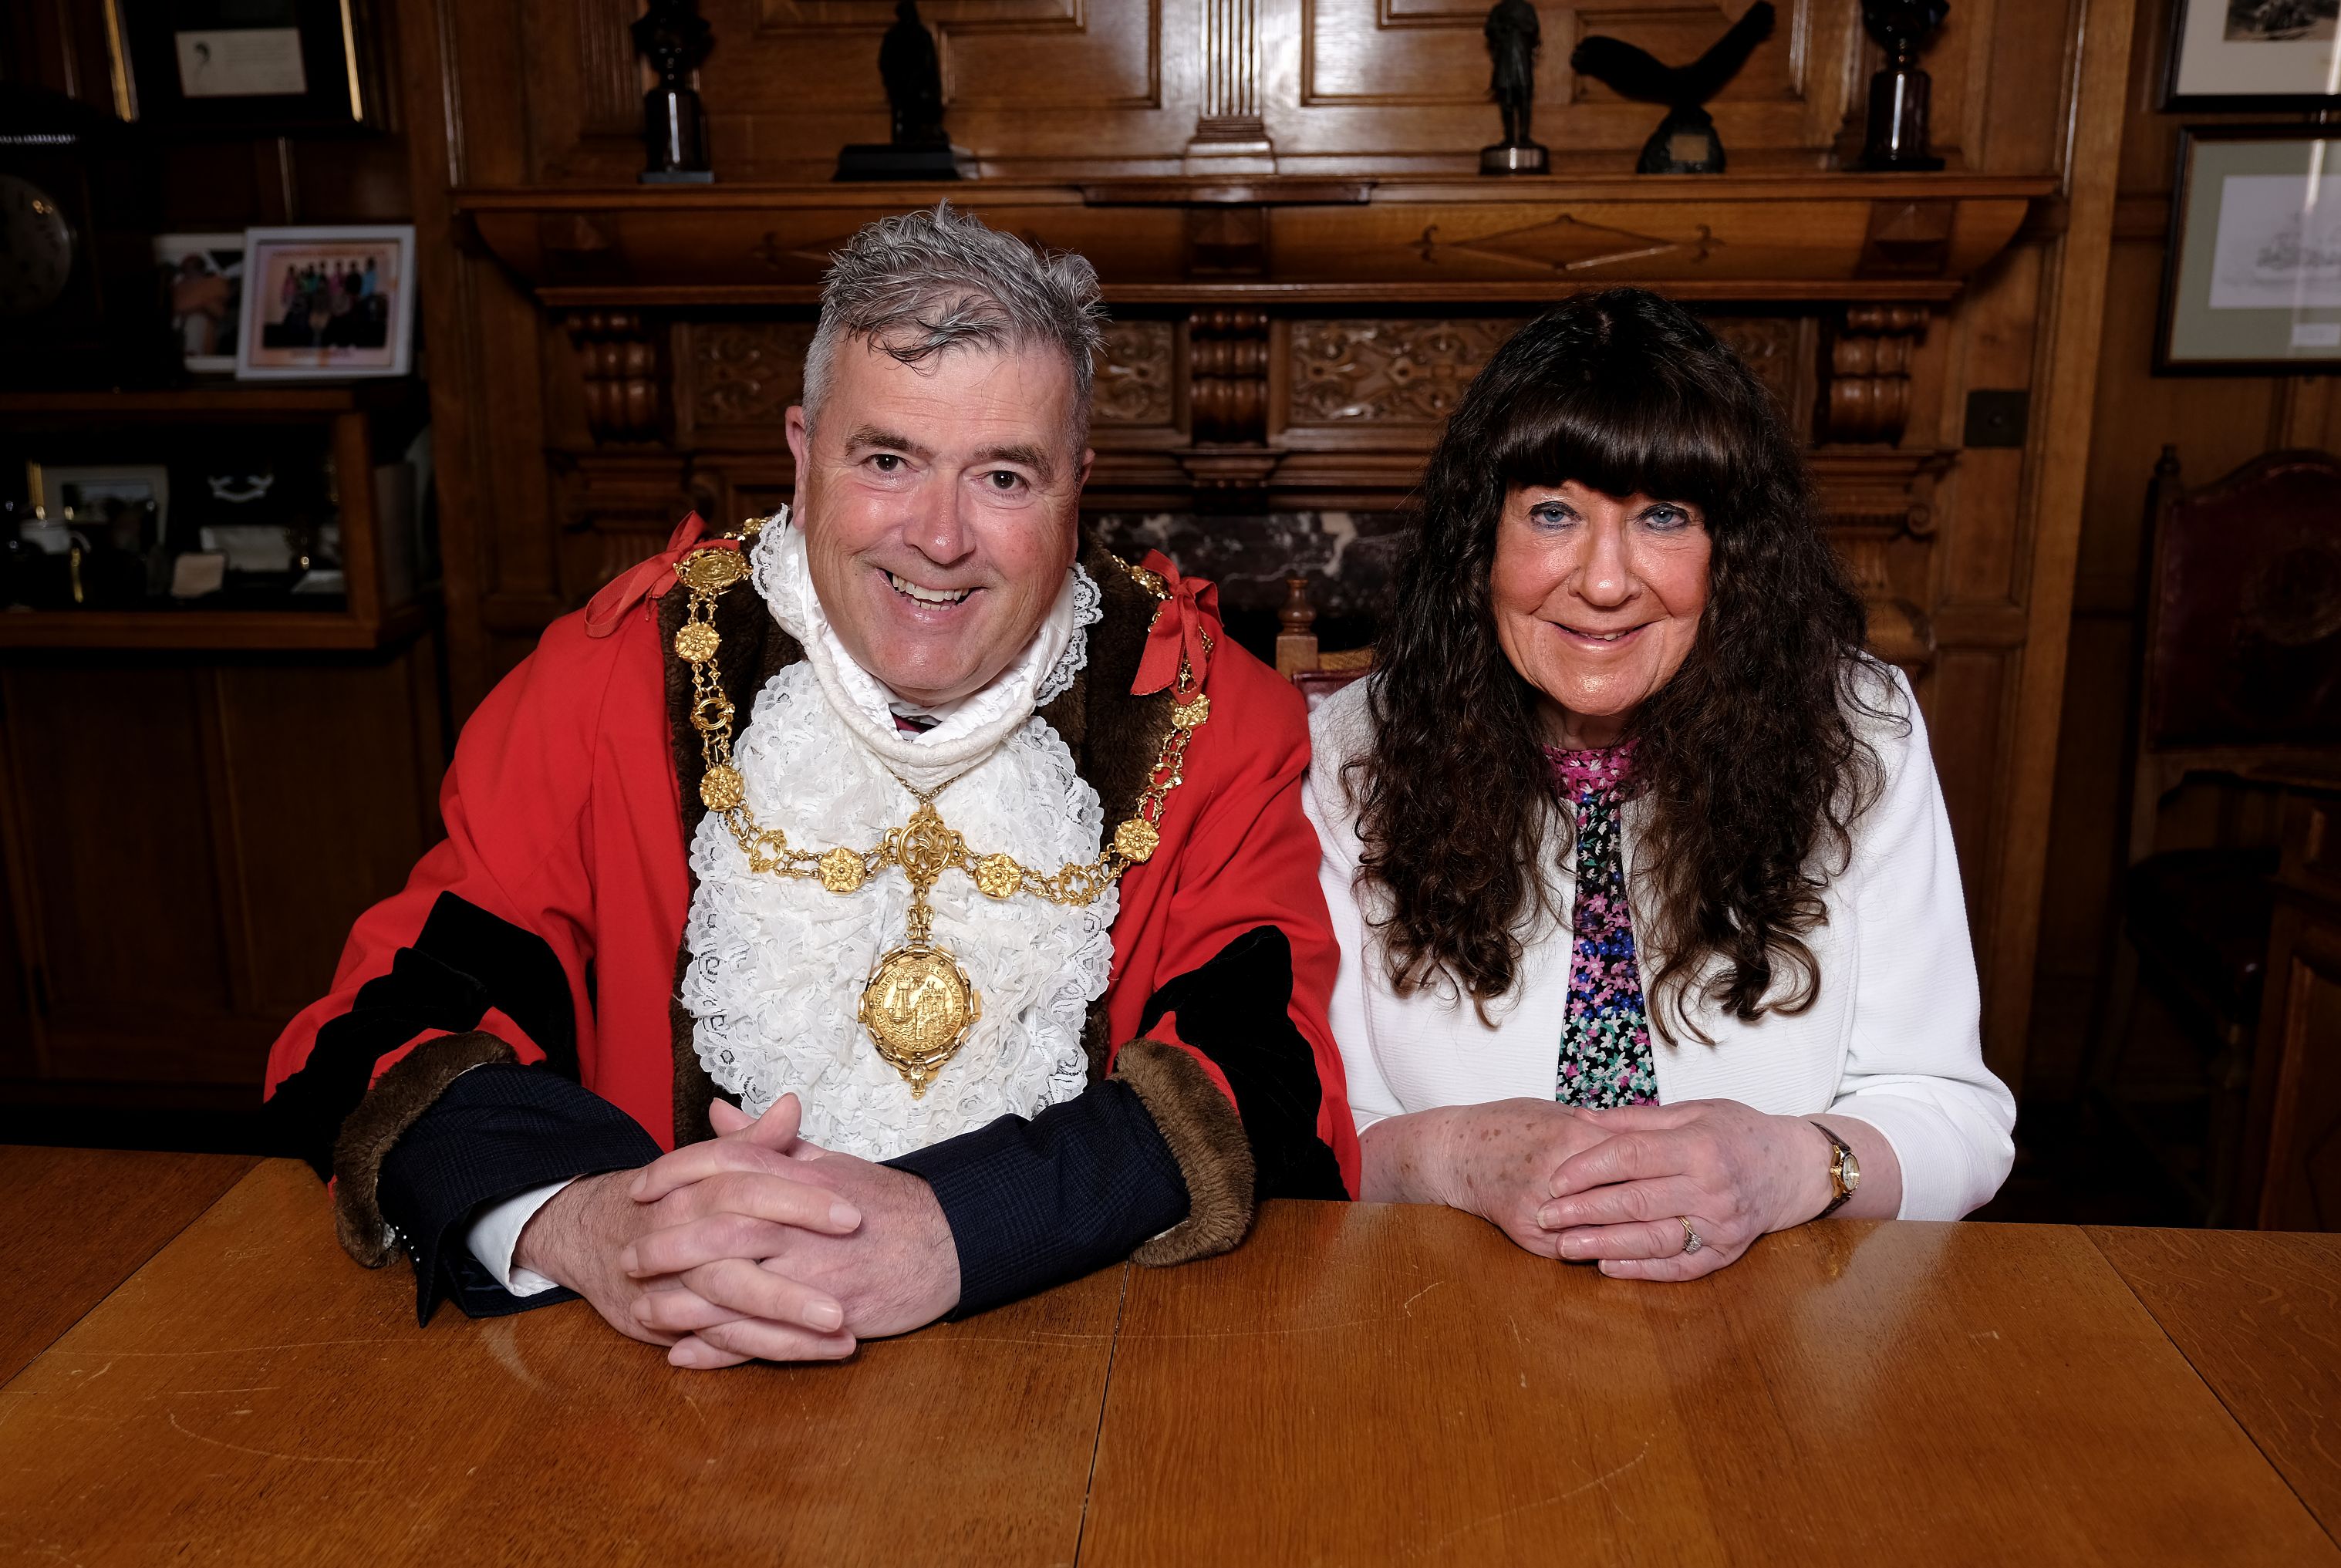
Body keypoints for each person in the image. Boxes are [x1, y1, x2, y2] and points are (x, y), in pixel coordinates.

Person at [265, 204, 1355, 1367]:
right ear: (800, 451)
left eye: (1002, 475)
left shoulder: (1205, 711)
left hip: (1073, 1361)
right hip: (655, 1365)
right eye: (886, 459)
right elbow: (391, 1019)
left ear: (1078, 484)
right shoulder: (611, 681)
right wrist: (585, 1221)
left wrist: (957, 1227)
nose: (937, 538)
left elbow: (1263, 1065)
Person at [1305, 288, 2012, 1280]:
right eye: (1553, 512)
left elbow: (1958, 1117)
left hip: (1778, 1324)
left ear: (1732, 553)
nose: (1603, 581)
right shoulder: (1350, 755)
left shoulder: (1860, 734)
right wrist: (1456, 1155)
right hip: (1442, 1313)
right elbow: (1309, 1128)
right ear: (1480, 545)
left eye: (1664, 517)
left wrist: (1792, 1163)